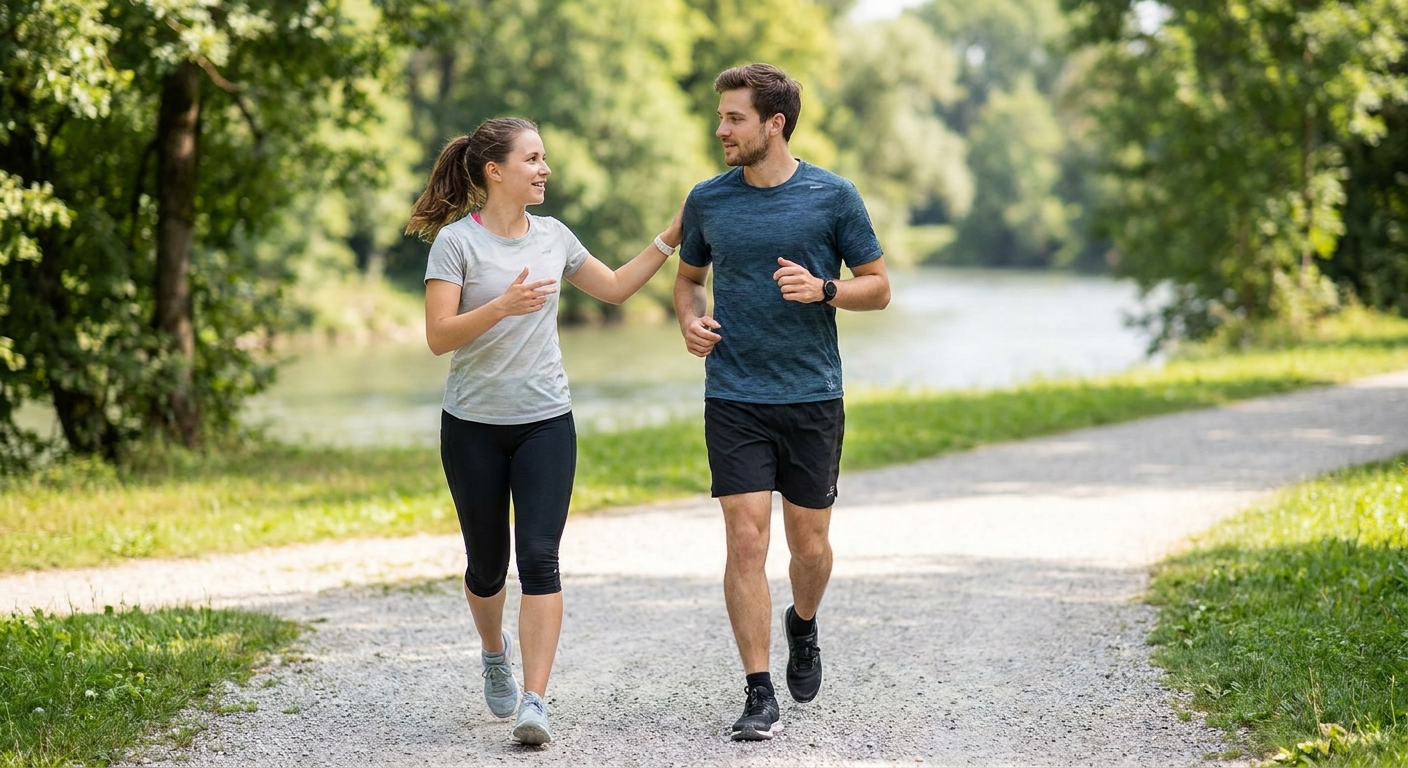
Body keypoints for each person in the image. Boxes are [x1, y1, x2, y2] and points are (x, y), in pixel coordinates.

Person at [406, 117, 682, 746]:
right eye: (532, 159)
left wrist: (667, 239)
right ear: (494, 171)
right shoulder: (456, 244)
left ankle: (535, 700)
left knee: (540, 558)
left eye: (545, 158)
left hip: (545, 423)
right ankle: (493, 653)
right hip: (472, 425)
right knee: (486, 566)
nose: (544, 169)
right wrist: (501, 305)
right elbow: (436, 337)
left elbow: (613, 289)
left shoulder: (554, 236)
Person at [673, 64, 891, 741]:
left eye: (734, 118)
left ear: (776, 123)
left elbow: (878, 287)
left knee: (811, 546)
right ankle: (758, 692)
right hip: (734, 394)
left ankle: (803, 622)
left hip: (811, 395)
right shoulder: (708, 200)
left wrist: (824, 290)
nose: (721, 130)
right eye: (722, 118)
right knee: (744, 540)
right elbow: (687, 281)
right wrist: (691, 318)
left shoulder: (833, 196)